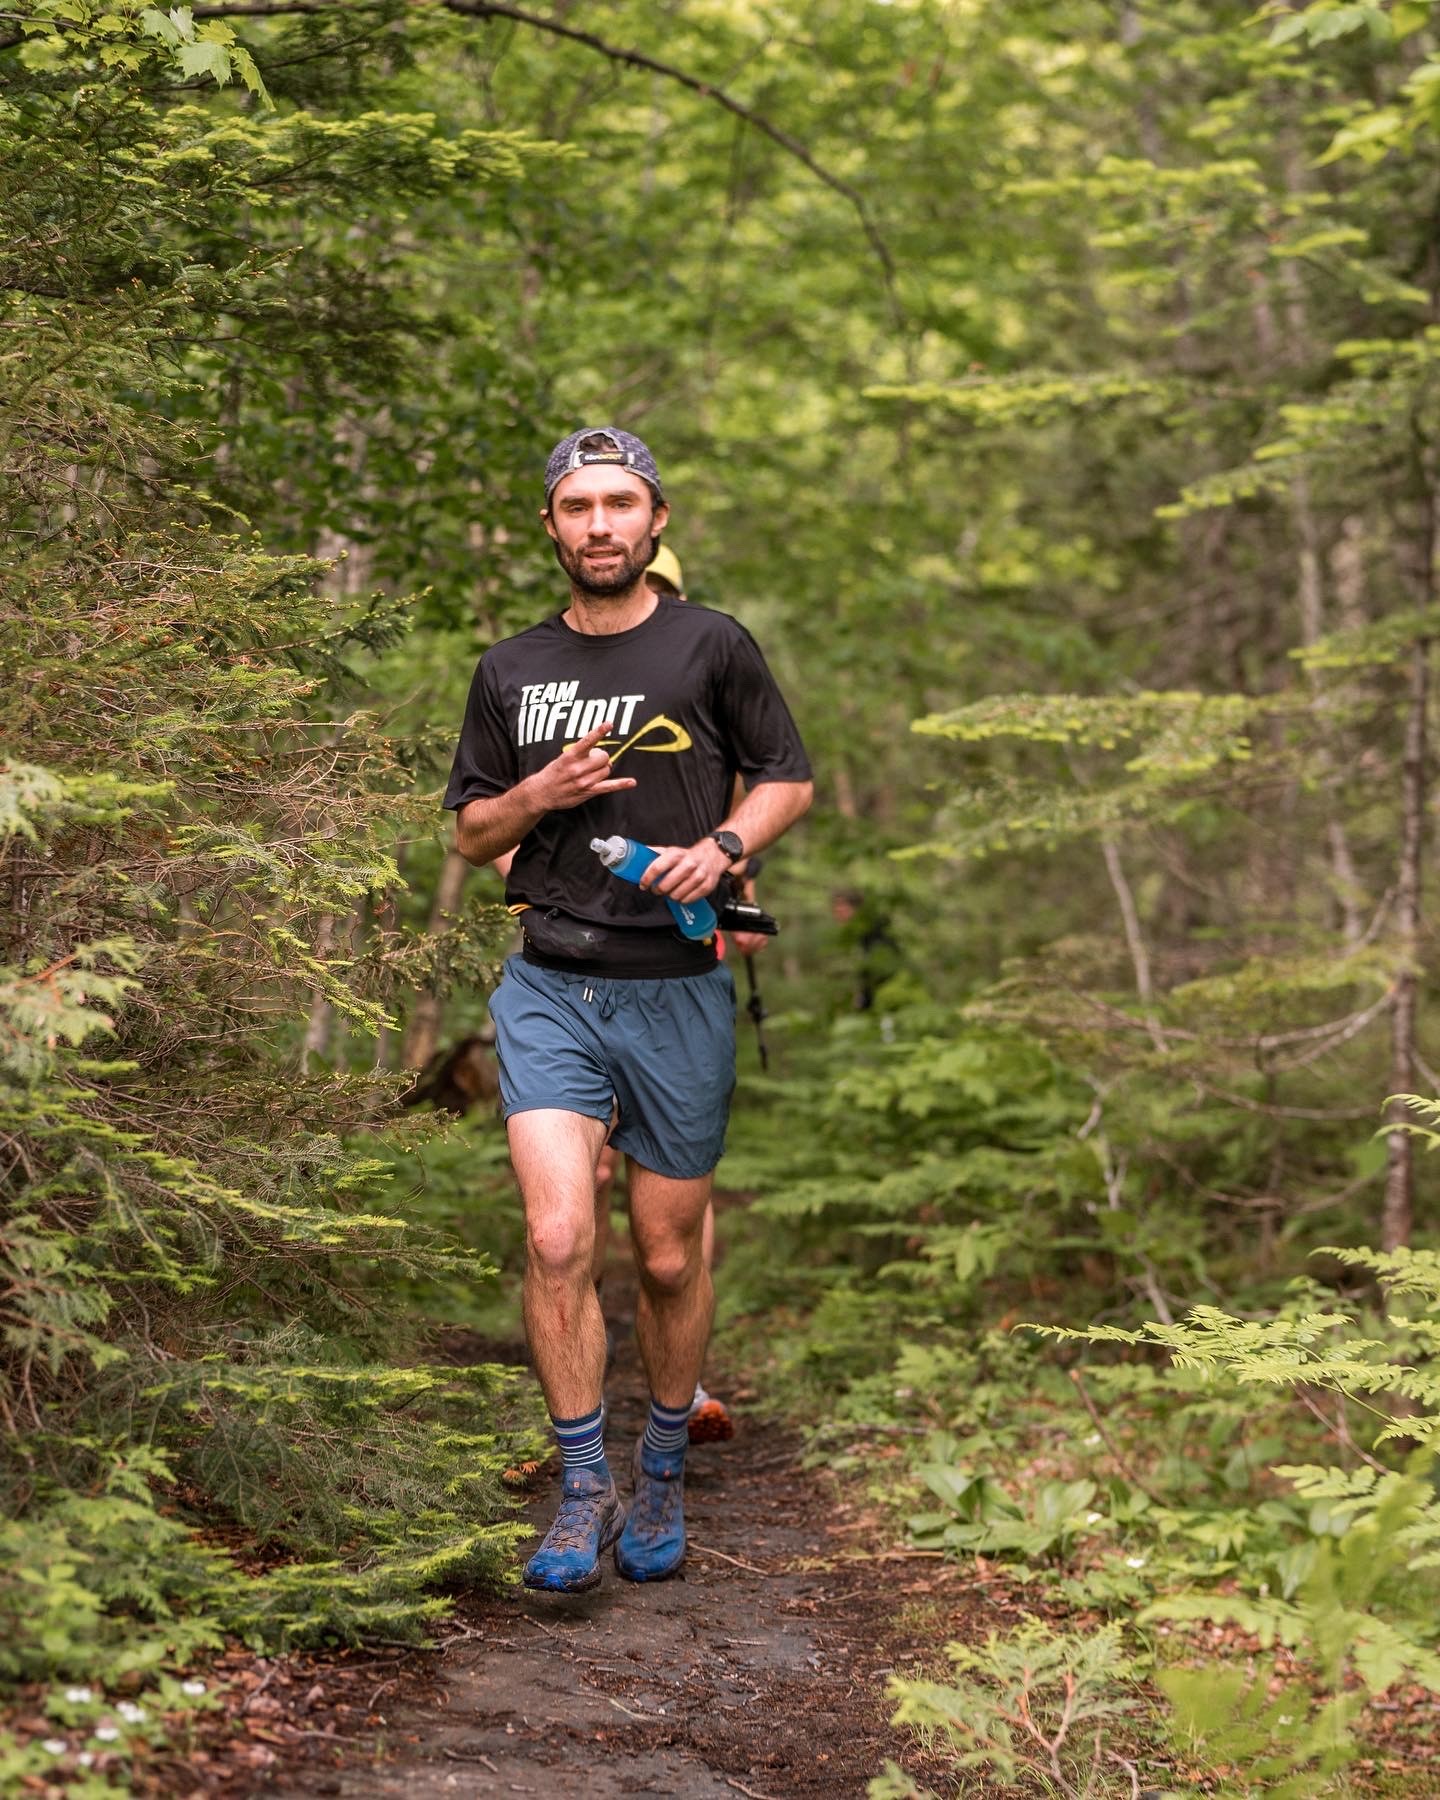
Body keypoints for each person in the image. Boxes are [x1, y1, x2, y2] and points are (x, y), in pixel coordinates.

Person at [444, 426, 812, 1592]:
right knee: (559, 1237)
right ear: (550, 526)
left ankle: (660, 1468)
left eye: (619, 503)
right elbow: (471, 833)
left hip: (678, 987)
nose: (599, 525)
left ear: (656, 520)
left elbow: (788, 777)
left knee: (663, 1256)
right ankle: (580, 1489)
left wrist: (725, 848)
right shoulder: (510, 669)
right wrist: (537, 793)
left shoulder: (713, 644)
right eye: (577, 506)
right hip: (552, 980)